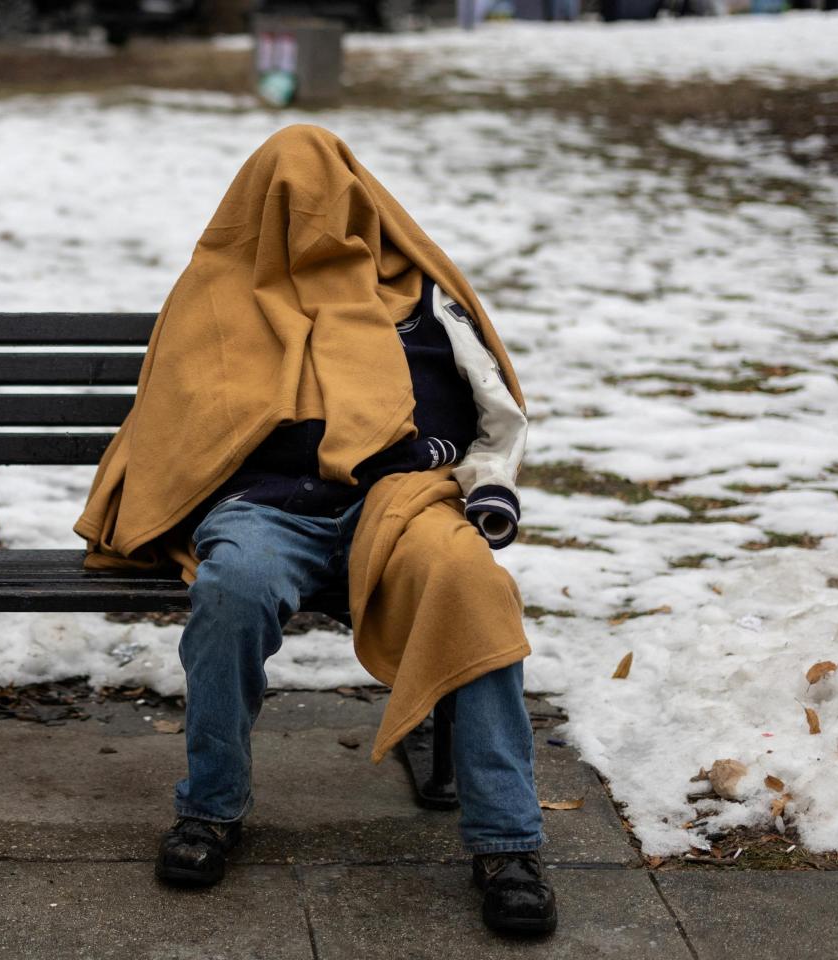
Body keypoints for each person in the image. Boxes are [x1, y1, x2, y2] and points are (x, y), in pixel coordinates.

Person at [74, 124, 556, 937]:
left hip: (405, 500)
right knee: (231, 590)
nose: (314, 220)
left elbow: (490, 414)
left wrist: (480, 482)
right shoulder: (219, 294)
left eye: (327, 202)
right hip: (268, 508)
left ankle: (509, 845)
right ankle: (210, 810)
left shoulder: (419, 294)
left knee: (473, 585)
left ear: (361, 202)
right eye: (290, 204)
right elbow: (178, 421)